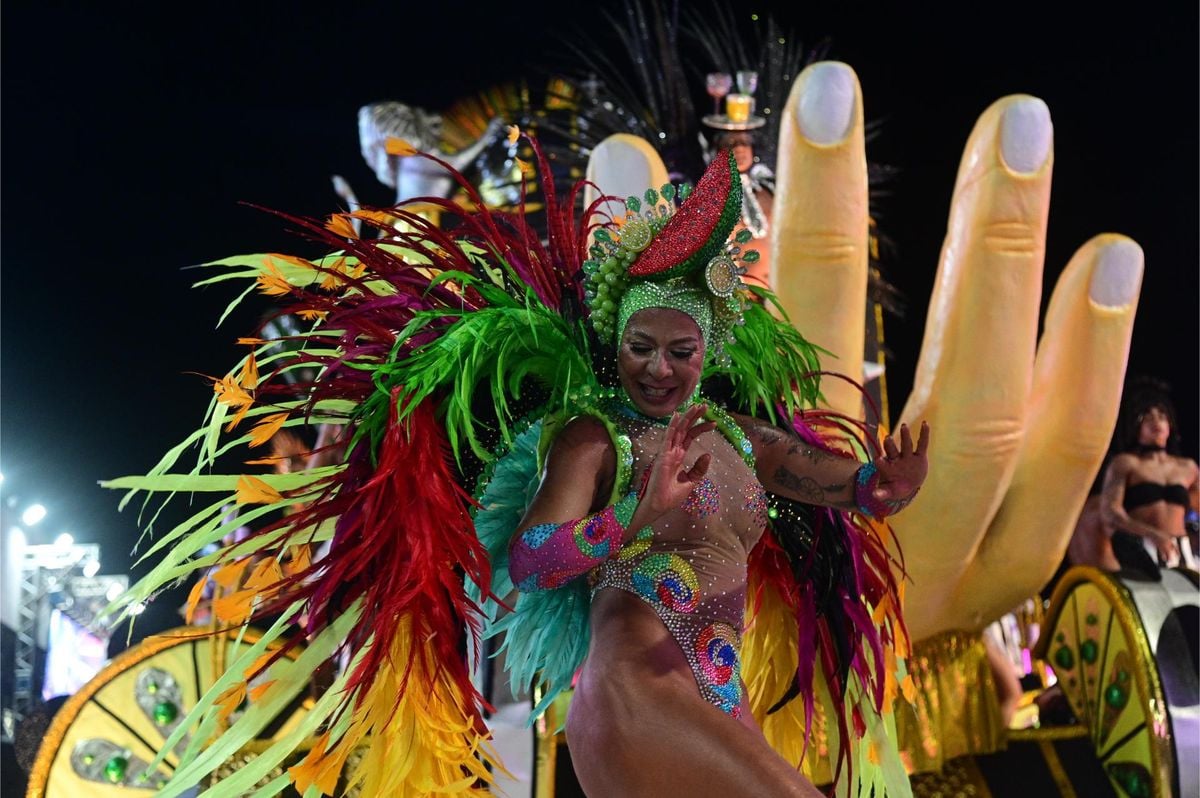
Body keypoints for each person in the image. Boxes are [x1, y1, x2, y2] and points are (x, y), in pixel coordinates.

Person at [1101, 376, 1200, 577]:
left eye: (1162, 416)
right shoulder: (1125, 463)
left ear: (1170, 425)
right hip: (1141, 549)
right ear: (1135, 425)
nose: (1156, 421)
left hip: (1182, 553)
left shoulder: (1187, 467)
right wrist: (1151, 534)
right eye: (1148, 416)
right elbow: (1110, 513)